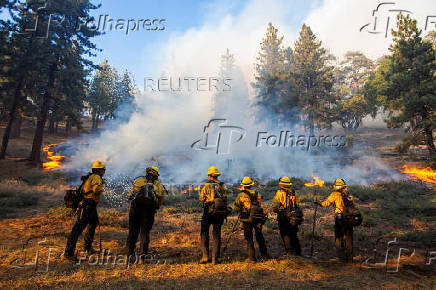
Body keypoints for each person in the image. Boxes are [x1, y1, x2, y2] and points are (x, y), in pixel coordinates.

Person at [64, 161, 107, 261]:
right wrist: (104, 185)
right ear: (99, 170)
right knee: (77, 230)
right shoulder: (96, 177)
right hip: (87, 206)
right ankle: (68, 254)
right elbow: (97, 189)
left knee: (93, 224)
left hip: (90, 206)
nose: (104, 172)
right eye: (103, 170)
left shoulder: (91, 176)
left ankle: (87, 248)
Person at [126, 166, 166, 262]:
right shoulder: (159, 185)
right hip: (148, 212)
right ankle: (142, 258)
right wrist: (156, 206)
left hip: (135, 210)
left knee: (133, 232)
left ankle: (129, 255)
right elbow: (161, 199)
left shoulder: (138, 181)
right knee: (144, 233)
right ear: (156, 175)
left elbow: (130, 196)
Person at [318, 178, 354, 262]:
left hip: (340, 217)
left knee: (339, 236)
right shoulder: (348, 194)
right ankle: (350, 257)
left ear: (335, 186)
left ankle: (341, 257)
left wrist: (318, 203)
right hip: (349, 217)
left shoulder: (335, 194)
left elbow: (326, 204)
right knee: (349, 237)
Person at [234, 176, 268, 262]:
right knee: (259, 236)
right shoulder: (257, 194)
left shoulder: (240, 195)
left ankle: (251, 257)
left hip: (246, 220)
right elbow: (260, 205)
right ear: (251, 185)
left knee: (249, 237)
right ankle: (265, 255)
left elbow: (236, 208)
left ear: (244, 186)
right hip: (257, 218)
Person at [199, 166, 228, 264]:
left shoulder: (206, 185)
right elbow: (225, 197)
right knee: (216, 234)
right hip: (219, 212)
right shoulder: (223, 185)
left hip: (208, 211)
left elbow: (201, 198)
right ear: (217, 175)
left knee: (204, 232)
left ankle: (205, 256)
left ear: (210, 175)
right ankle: (216, 258)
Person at [272, 176, 302, 256]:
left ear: (281, 184)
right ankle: (298, 252)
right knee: (293, 234)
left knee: (285, 234)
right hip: (294, 216)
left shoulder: (279, 193)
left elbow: (275, 206)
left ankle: (290, 253)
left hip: (283, 216)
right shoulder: (294, 193)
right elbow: (297, 204)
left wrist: (276, 210)